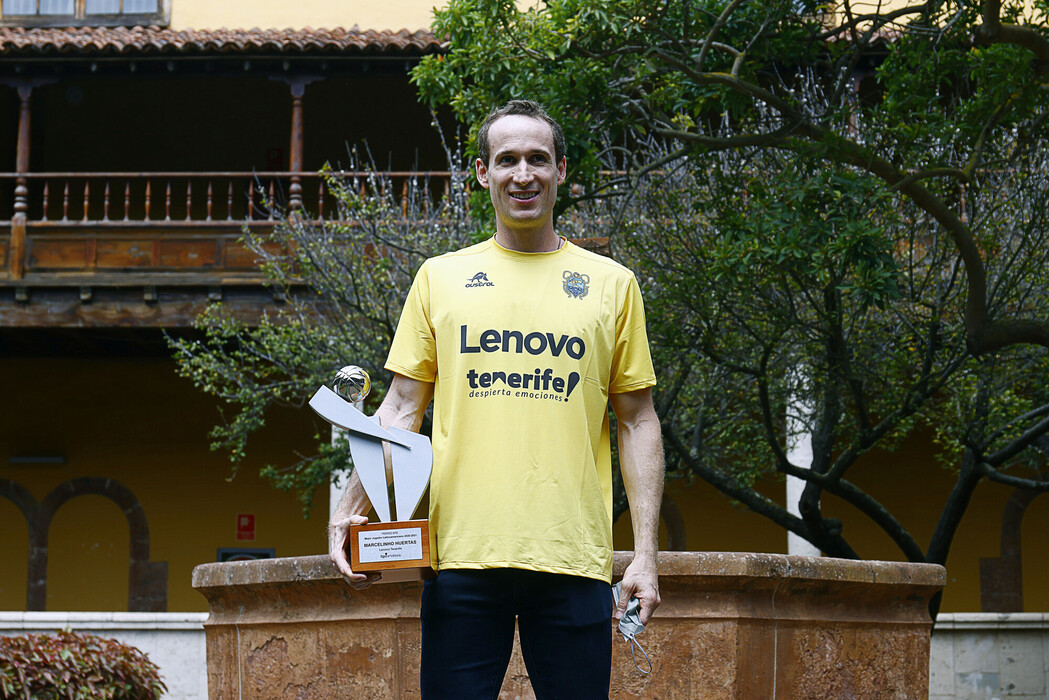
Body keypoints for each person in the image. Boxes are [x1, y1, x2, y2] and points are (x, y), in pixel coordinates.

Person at [329, 99, 664, 699]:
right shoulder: (439, 278)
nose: (523, 174)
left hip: (572, 557)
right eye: (507, 160)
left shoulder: (613, 285)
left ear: (561, 171)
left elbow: (638, 421)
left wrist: (645, 555)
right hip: (461, 556)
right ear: (483, 173)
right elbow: (401, 408)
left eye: (538, 159)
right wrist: (347, 512)